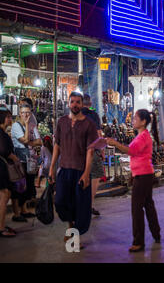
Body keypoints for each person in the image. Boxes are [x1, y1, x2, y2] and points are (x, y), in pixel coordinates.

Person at [106, 110, 161, 252]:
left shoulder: (143, 136)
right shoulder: (142, 136)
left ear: (143, 121)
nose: (133, 120)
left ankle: (139, 242)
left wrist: (114, 143)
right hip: (144, 174)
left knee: (137, 209)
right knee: (148, 205)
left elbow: (131, 152)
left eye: (136, 118)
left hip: (143, 176)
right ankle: (156, 233)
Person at [49, 92, 98, 247]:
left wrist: (86, 174)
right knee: (61, 201)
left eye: (78, 102)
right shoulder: (62, 122)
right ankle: (71, 229)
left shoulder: (89, 124)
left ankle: (74, 236)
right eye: (72, 102)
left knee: (79, 206)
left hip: (80, 170)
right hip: (64, 169)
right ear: (68, 103)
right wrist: (51, 169)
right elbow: (57, 146)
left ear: (82, 104)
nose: (75, 105)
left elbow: (90, 151)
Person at [11, 104, 42, 222]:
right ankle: (17, 213)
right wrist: (28, 126)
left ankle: (24, 210)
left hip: (31, 160)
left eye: (28, 113)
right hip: (20, 160)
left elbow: (40, 142)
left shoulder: (33, 126)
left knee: (28, 186)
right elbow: (23, 140)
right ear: (20, 114)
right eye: (23, 113)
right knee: (19, 186)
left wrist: (29, 142)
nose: (26, 115)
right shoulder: (16, 126)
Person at [81, 94, 104, 216]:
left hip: (77, 152)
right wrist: (102, 151)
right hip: (92, 150)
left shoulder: (73, 115)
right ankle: (88, 205)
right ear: (90, 103)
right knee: (95, 176)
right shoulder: (93, 115)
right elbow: (99, 135)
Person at [0, 107, 18, 237]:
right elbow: (4, 151)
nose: (10, 120)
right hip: (1, 168)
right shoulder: (1, 134)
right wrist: (15, 159)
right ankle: (1, 227)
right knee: (4, 195)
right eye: (8, 117)